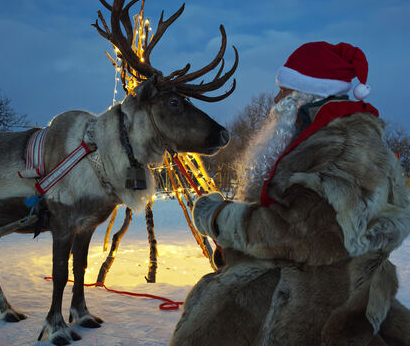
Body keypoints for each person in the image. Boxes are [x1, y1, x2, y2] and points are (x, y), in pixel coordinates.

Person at [170, 42, 410, 345]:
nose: (276, 99)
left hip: (318, 301)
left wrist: (219, 218)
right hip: (331, 285)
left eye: (284, 90)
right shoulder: (325, 137)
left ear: (305, 95)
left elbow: (305, 235)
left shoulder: (342, 148)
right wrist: (235, 244)